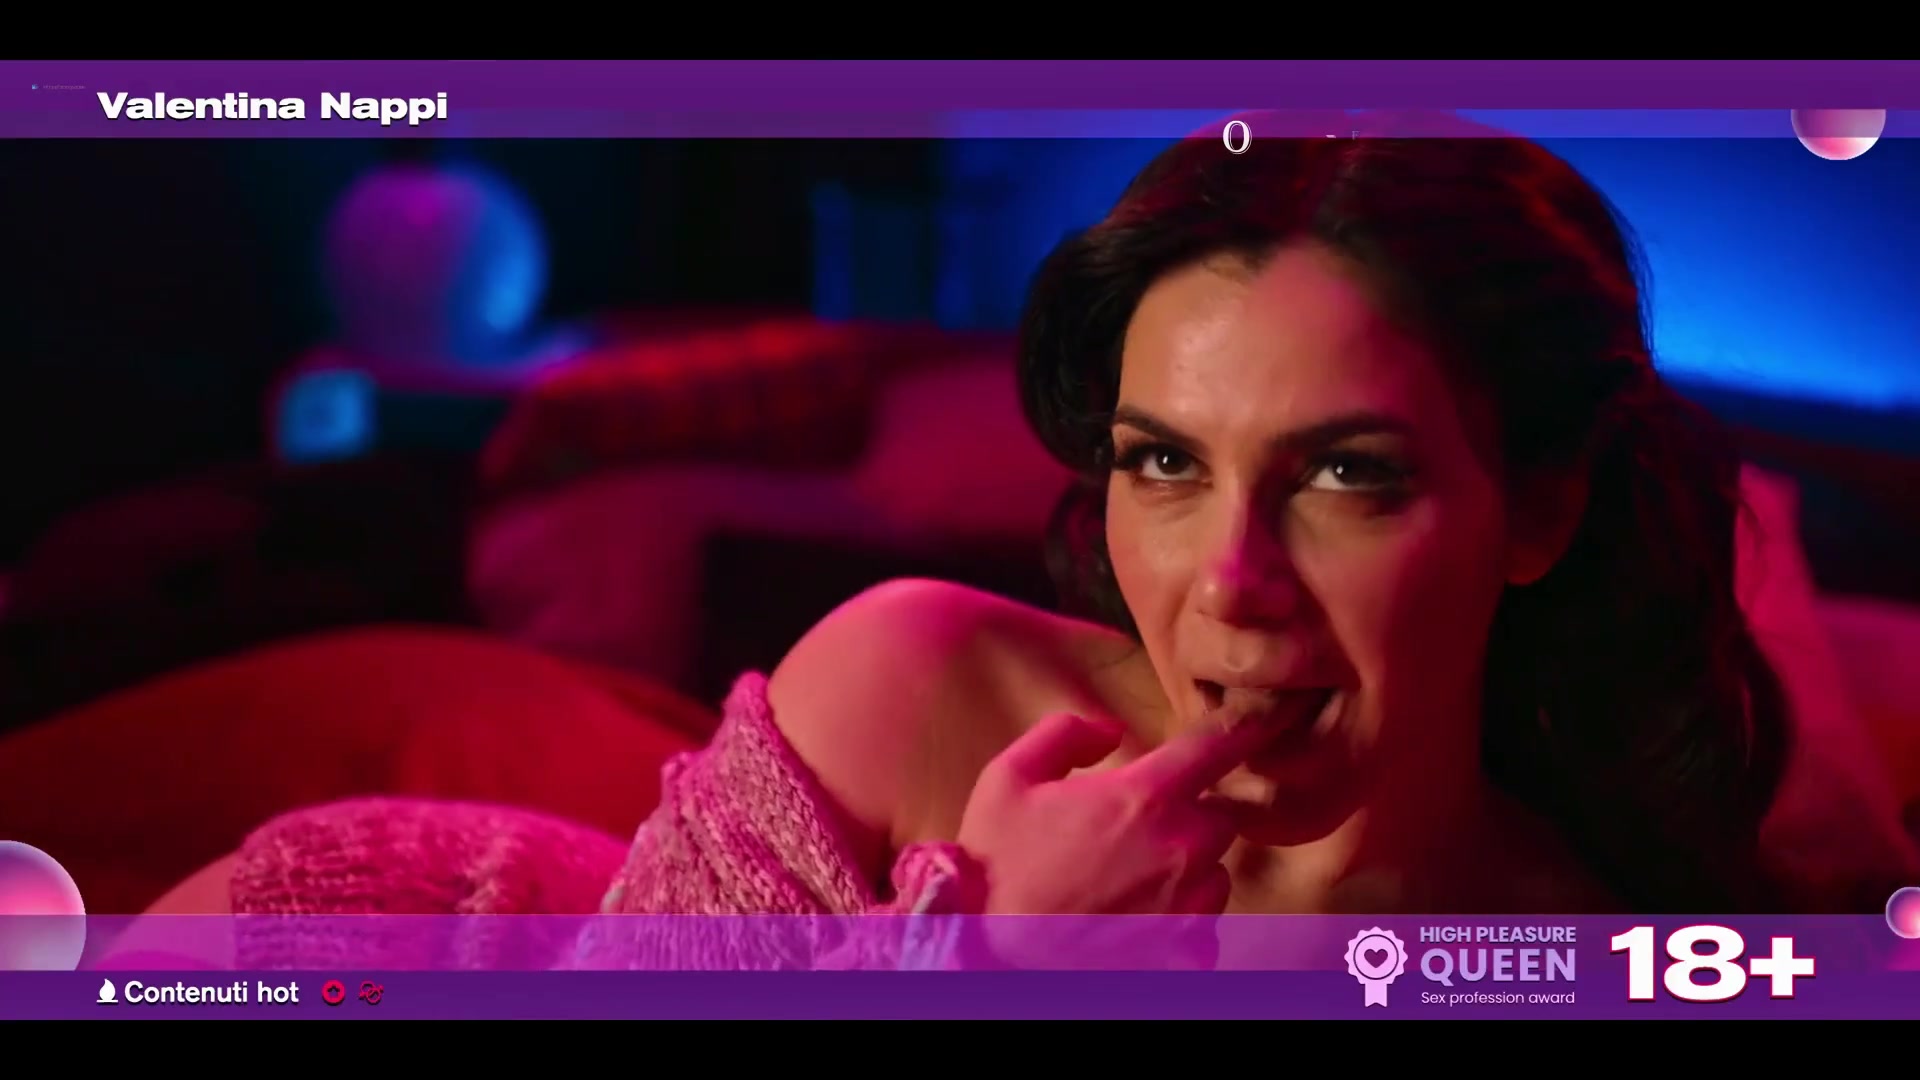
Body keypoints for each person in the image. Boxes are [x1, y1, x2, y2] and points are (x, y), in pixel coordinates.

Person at [160, 119, 1820, 931]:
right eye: (1162, 463)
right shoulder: (916, 682)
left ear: (1536, 512)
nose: (1230, 583)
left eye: (1344, 476)